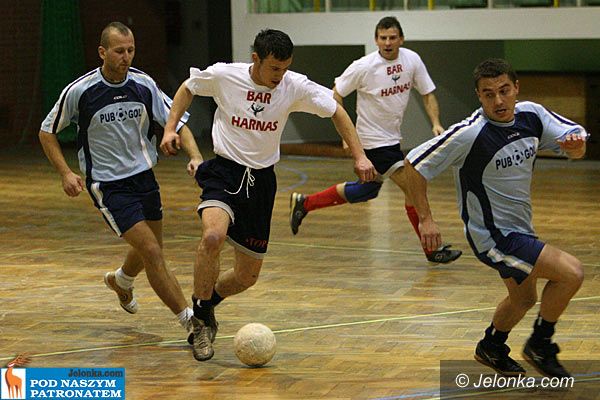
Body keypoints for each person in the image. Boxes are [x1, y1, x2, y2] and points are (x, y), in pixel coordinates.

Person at [161, 29, 376, 362]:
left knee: (246, 277)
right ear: (256, 59)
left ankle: (207, 304)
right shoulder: (224, 75)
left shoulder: (293, 85)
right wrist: (170, 128)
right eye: (274, 68)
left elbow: (336, 110)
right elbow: (187, 88)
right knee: (213, 236)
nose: (280, 75)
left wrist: (359, 155)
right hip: (224, 172)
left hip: (261, 183)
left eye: (285, 68)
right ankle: (200, 321)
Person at [404, 58, 587, 378]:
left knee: (523, 299)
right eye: (489, 94)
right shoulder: (469, 134)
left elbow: (576, 144)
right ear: (479, 96)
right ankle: (541, 344)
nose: (498, 100)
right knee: (571, 273)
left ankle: (491, 346)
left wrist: (575, 147)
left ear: (516, 88)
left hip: (521, 229)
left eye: (504, 91)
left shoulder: (531, 115)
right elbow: (414, 164)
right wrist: (426, 219)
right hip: (493, 236)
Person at [39, 22, 201, 338]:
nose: (126, 57)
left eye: (130, 50)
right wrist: (66, 173)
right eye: (119, 51)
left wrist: (194, 155)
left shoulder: (144, 84)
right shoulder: (81, 91)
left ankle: (122, 280)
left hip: (144, 178)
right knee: (152, 251)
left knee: (150, 248)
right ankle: (190, 322)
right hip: (108, 185)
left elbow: (177, 122)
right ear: (102, 52)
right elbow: (47, 132)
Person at [289, 16, 461, 264]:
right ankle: (432, 250)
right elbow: (336, 93)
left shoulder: (412, 60)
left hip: (392, 139)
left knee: (366, 190)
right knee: (413, 188)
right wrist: (346, 135)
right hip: (372, 141)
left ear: (401, 39)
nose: (388, 42)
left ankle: (305, 203)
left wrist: (435, 122)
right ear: (376, 40)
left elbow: (428, 94)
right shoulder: (364, 66)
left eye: (392, 37)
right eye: (383, 38)